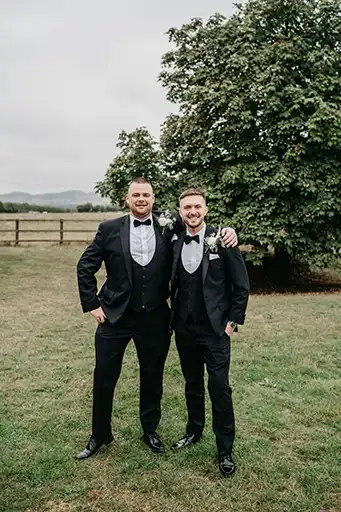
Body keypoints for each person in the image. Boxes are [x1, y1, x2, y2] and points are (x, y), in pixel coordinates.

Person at [75, 177, 238, 459]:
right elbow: (85, 266)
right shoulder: (109, 229)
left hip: (155, 318)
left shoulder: (170, 224)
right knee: (104, 376)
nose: (141, 199)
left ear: (153, 199)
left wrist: (229, 231)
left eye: (146, 195)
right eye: (135, 195)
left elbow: (198, 221)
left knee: (152, 376)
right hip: (114, 316)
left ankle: (149, 430)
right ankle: (100, 434)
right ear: (127, 199)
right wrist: (92, 304)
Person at [170, 188, 250, 476]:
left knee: (219, 387)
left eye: (197, 206)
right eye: (186, 207)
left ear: (206, 209)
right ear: (180, 212)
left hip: (216, 329)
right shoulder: (175, 237)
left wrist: (233, 321)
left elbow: (241, 286)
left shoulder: (223, 239)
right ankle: (194, 431)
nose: (192, 211)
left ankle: (225, 449)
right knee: (192, 384)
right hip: (184, 327)